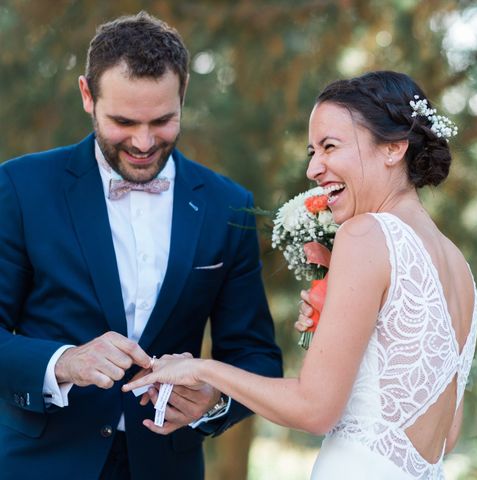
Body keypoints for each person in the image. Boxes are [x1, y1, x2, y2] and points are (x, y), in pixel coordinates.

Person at [124, 70, 477, 479]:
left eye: (330, 147)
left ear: (394, 148)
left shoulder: (365, 234)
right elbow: (446, 434)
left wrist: (202, 369)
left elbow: (314, 409)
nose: (314, 168)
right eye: (312, 152)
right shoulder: (458, 267)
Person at [0, 11, 282, 480]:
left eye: (163, 121)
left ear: (184, 93)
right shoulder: (19, 187)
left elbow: (256, 356)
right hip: (39, 464)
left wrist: (213, 399)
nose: (144, 142)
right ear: (87, 95)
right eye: (124, 121)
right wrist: (64, 362)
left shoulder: (228, 205)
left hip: (166, 465)